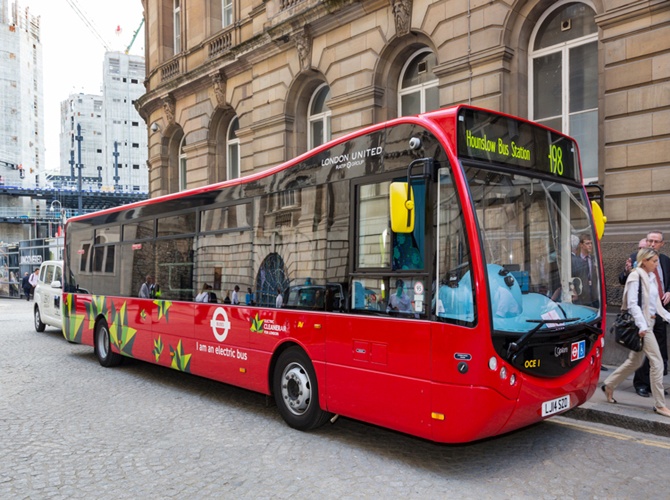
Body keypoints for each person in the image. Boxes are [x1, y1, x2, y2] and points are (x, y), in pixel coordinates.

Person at [602, 248, 670, 417]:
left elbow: (657, 305)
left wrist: (668, 317)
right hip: (642, 325)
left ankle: (609, 384)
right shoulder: (635, 276)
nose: (656, 264)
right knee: (657, 362)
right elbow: (632, 304)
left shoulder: (651, 276)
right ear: (644, 260)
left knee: (634, 361)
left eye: (656, 261)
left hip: (650, 323)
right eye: (653, 261)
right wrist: (642, 326)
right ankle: (660, 404)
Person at [619, 231, 670, 397]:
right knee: (643, 355)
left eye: (656, 241)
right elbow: (623, 281)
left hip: (660, 312)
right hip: (642, 316)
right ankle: (642, 385)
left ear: (662, 244)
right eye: (650, 241)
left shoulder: (664, 261)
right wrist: (627, 272)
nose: (652, 244)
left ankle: (653, 387)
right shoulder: (636, 259)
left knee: (659, 352)